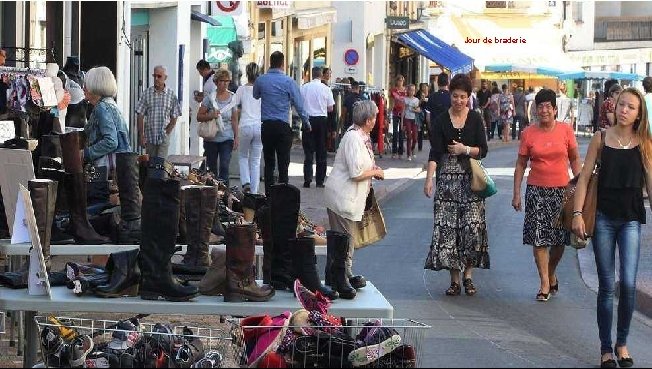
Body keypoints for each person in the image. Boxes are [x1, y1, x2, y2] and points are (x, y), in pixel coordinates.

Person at [571, 87, 651, 368]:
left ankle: (622, 343)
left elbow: (650, 184)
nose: (624, 110)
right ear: (614, 107)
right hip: (603, 217)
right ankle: (606, 349)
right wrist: (578, 214)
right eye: (621, 105)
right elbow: (583, 179)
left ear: (639, 113)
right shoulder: (600, 138)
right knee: (606, 285)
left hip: (630, 219)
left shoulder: (644, 142)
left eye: (631, 107)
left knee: (627, 284)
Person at [512, 88, 581, 302]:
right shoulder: (528, 134)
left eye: (548, 107)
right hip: (536, 191)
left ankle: (551, 272)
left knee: (559, 240)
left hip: (562, 191)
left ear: (554, 109)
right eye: (540, 107)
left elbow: (575, 159)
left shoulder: (565, 131)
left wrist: (581, 185)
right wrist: (516, 193)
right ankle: (544, 282)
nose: (544, 111)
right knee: (539, 238)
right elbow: (521, 163)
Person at [424, 73, 489, 297]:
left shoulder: (476, 118)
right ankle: (454, 280)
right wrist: (429, 179)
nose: (458, 100)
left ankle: (468, 276)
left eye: (462, 97)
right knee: (449, 230)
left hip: (471, 181)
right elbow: (435, 152)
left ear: (469, 97)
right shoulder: (441, 120)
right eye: (455, 96)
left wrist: (465, 150)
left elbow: (483, 149)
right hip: (447, 183)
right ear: (450, 95)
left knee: (472, 228)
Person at [324, 100, 385, 298]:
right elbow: (356, 172)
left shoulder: (361, 136)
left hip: (350, 197)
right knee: (343, 239)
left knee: (346, 239)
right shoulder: (353, 138)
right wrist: (375, 172)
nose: (376, 121)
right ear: (368, 120)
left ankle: (341, 275)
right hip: (343, 196)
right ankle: (340, 276)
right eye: (374, 117)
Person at [253, 51, 309, 194]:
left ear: (270, 62)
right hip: (283, 126)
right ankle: (282, 195)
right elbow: (299, 104)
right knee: (284, 163)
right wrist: (306, 122)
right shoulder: (289, 82)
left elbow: (255, 95)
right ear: (283, 64)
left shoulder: (261, 80)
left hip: (267, 126)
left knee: (269, 161)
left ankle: (268, 194)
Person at [82, 66, 132, 167]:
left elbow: (111, 141)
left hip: (106, 168)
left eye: (86, 85)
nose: (83, 88)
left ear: (95, 85)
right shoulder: (110, 104)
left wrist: (86, 153)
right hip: (121, 166)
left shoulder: (102, 107)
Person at [197, 68, 239, 184]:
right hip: (211, 138)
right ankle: (213, 194)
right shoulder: (210, 98)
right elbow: (199, 116)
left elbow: (234, 119)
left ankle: (225, 195)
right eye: (222, 81)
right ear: (216, 82)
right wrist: (211, 115)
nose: (225, 83)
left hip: (227, 137)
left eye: (227, 81)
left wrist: (236, 137)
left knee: (224, 166)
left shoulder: (232, 98)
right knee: (212, 169)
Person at [135, 65, 181, 159]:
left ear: (165, 77)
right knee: (151, 164)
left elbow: (175, 115)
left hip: (163, 136)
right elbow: (140, 114)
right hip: (150, 136)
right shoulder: (147, 93)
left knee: (160, 164)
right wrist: (141, 135)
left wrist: (168, 131)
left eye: (159, 76)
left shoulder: (171, 95)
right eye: (154, 76)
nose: (156, 78)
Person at [300, 66, 335, 188]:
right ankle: (320, 181)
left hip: (308, 120)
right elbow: (331, 108)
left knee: (308, 152)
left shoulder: (304, 87)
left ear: (311, 75)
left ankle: (307, 179)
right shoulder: (326, 89)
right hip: (321, 121)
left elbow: (299, 104)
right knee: (321, 151)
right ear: (321, 75)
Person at [235, 62, 263, 194]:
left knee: (242, 156)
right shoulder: (262, 90)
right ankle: (254, 191)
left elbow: (234, 107)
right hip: (259, 127)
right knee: (256, 160)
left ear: (247, 74)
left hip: (245, 126)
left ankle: (245, 182)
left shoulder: (241, 89)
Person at [389, 74, 407, 159]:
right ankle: (394, 152)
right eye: (399, 80)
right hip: (395, 113)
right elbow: (391, 102)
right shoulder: (393, 91)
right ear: (396, 81)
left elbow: (407, 102)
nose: (400, 82)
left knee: (401, 133)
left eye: (402, 80)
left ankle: (400, 152)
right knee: (395, 133)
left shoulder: (406, 91)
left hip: (403, 113)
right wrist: (389, 112)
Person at [402, 84, 420, 161]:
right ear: (408, 91)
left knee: (415, 138)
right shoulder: (405, 99)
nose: (412, 91)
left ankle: (413, 149)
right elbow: (403, 111)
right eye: (411, 90)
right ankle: (408, 154)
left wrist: (415, 110)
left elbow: (418, 110)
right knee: (409, 136)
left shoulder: (416, 100)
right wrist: (402, 122)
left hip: (415, 119)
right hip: (407, 119)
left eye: (413, 90)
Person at [415, 83, 430, 151]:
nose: (424, 88)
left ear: (428, 87)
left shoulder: (431, 95)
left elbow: (432, 103)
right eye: (423, 87)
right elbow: (416, 104)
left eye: (425, 87)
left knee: (430, 130)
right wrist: (421, 99)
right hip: (421, 114)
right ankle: (420, 146)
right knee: (420, 131)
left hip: (428, 114)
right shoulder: (418, 95)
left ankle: (433, 145)